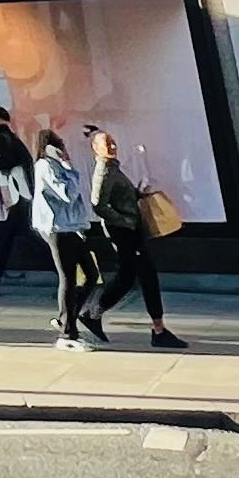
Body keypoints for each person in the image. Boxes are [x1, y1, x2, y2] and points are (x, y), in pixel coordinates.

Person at [82, 124, 186, 349]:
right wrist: (124, 220)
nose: (111, 146)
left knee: (128, 277)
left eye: (112, 142)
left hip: (128, 229)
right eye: (105, 143)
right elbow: (98, 204)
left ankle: (94, 314)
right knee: (146, 275)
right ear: (95, 149)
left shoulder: (112, 168)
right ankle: (158, 330)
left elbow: (116, 198)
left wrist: (137, 193)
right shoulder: (105, 170)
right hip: (125, 231)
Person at [29, 128, 102, 350]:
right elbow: (66, 194)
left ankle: (66, 318)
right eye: (58, 144)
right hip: (57, 228)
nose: (63, 148)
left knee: (91, 273)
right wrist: (69, 169)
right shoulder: (45, 166)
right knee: (68, 277)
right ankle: (67, 334)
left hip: (70, 227)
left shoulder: (56, 166)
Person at [0, 104, 32, 298]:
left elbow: (8, 163)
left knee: (34, 239)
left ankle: (72, 276)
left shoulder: (1, 137)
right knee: (6, 236)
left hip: (18, 197)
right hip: (22, 195)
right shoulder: (11, 138)